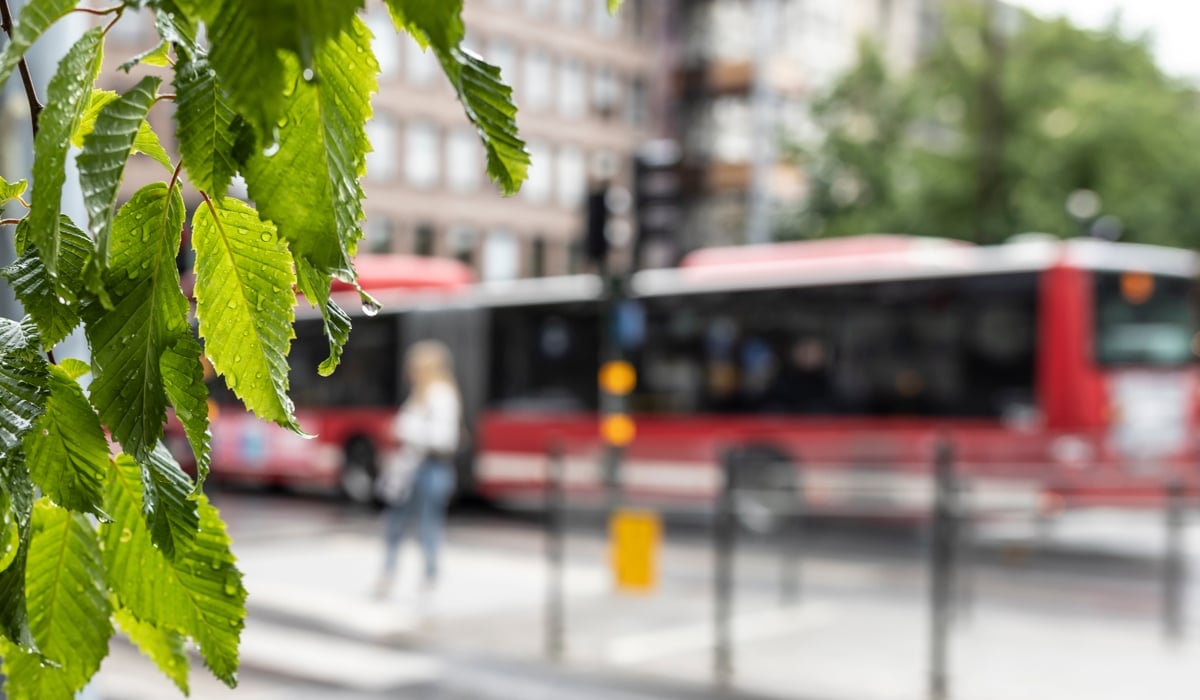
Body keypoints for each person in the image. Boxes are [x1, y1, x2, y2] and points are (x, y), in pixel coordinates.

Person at [374, 340, 460, 598]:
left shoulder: (441, 395)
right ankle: (390, 574)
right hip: (413, 467)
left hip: (431, 468)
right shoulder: (419, 394)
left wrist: (404, 429)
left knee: (426, 525)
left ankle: (429, 577)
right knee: (396, 523)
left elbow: (445, 438)